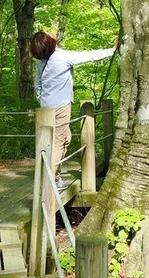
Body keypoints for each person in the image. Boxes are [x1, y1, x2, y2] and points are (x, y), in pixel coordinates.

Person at [30, 30, 116, 189]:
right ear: (49, 42)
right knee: (59, 142)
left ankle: (52, 175)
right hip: (61, 106)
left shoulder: (41, 61)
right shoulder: (62, 57)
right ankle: (51, 180)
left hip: (45, 107)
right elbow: (88, 56)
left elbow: (37, 83)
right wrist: (111, 51)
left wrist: (41, 98)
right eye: (48, 34)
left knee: (63, 138)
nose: (51, 32)